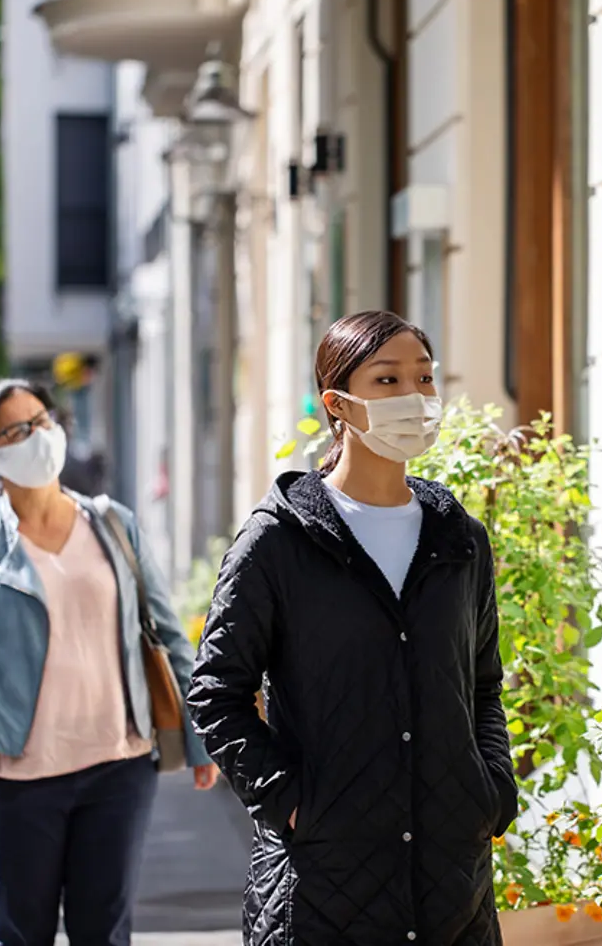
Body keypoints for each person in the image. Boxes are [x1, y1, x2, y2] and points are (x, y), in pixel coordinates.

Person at [188, 311, 518, 946]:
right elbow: (217, 694)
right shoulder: (278, 541)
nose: (415, 398)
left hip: (452, 887)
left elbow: (482, 685)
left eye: (424, 378)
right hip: (319, 889)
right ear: (338, 403)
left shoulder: (459, 540)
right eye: (388, 380)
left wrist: (491, 793)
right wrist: (288, 800)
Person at [0, 378, 219, 946]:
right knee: (20, 933)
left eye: (44, 421)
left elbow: (168, 636)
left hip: (118, 769)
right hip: (16, 779)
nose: (39, 436)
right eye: (19, 429)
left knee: (103, 934)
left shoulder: (112, 523)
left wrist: (198, 739)